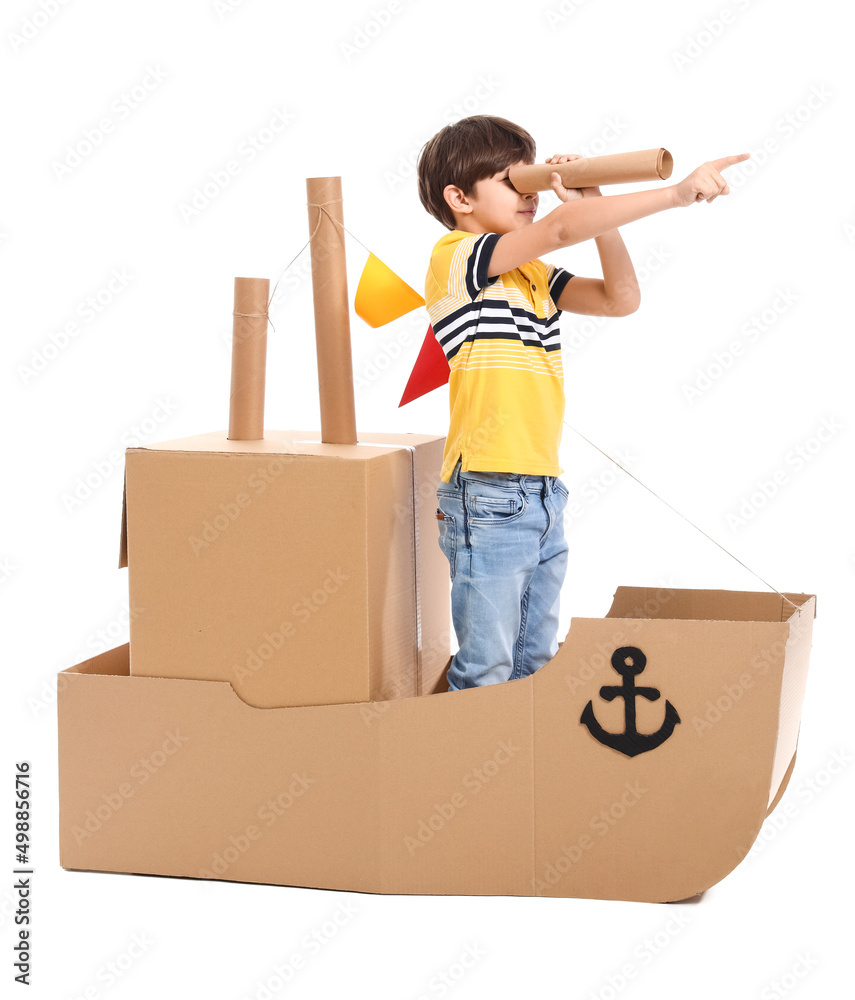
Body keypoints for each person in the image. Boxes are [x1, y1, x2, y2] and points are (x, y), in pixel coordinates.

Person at [417, 114, 748, 692]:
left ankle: (516, 772)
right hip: (488, 491)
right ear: (459, 197)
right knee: (486, 668)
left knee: (532, 662)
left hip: (542, 489)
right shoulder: (456, 258)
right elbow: (562, 227)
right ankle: (454, 775)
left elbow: (621, 298)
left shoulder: (536, 276)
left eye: (532, 182)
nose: (530, 195)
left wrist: (597, 209)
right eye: (513, 182)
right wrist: (674, 194)